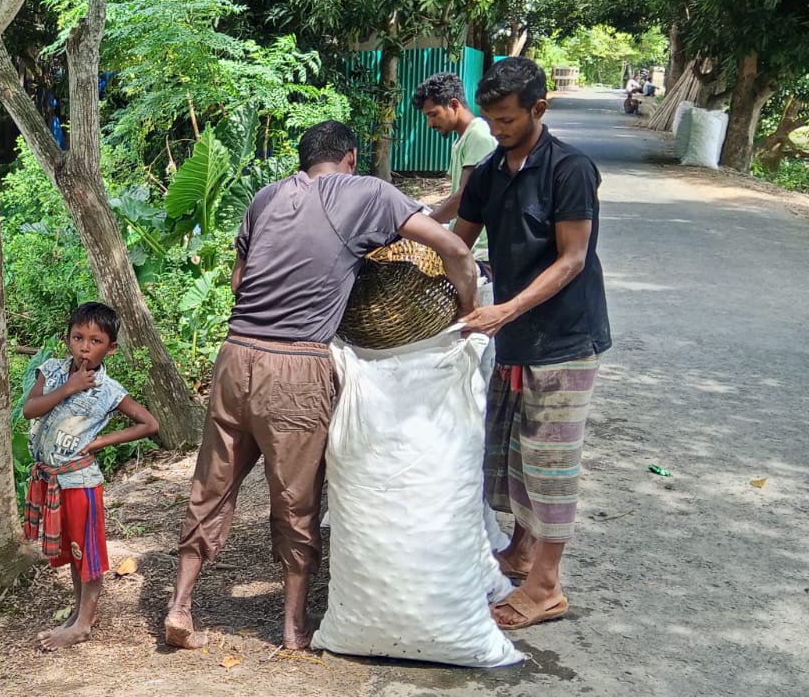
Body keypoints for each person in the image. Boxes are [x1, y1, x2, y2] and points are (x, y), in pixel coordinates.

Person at [163, 120, 480, 651]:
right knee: (297, 496)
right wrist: (469, 311)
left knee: (212, 484)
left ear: (303, 158)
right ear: (350, 158)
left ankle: (180, 605)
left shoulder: (266, 197)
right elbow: (454, 249)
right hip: (296, 366)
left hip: (235, 353)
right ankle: (293, 627)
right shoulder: (368, 193)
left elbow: (240, 281)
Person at [453, 57, 612, 631]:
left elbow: (573, 259)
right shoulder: (491, 171)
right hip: (515, 335)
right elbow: (458, 243)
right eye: (491, 120)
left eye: (507, 120)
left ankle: (546, 586)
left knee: (550, 460)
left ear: (538, 109)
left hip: (564, 336)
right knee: (513, 450)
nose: (496, 130)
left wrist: (507, 309)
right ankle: (521, 552)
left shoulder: (569, 169)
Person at [21, 301, 159, 650]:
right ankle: (79, 612)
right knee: (73, 551)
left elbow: (149, 424)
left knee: (88, 553)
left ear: (110, 348)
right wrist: (68, 387)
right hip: (53, 480)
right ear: (67, 339)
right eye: (78, 337)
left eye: (95, 341)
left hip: (80, 482)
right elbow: (29, 409)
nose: (84, 347)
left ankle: (83, 624)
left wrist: (100, 441)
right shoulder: (52, 371)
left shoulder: (109, 390)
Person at [414, 72, 500, 225]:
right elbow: (455, 195)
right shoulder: (463, 138)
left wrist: (422, 226)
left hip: (478, 239)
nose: (430, 124)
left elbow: (464, 198)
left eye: (433, 115)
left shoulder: (478, 135)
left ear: (454, 105)